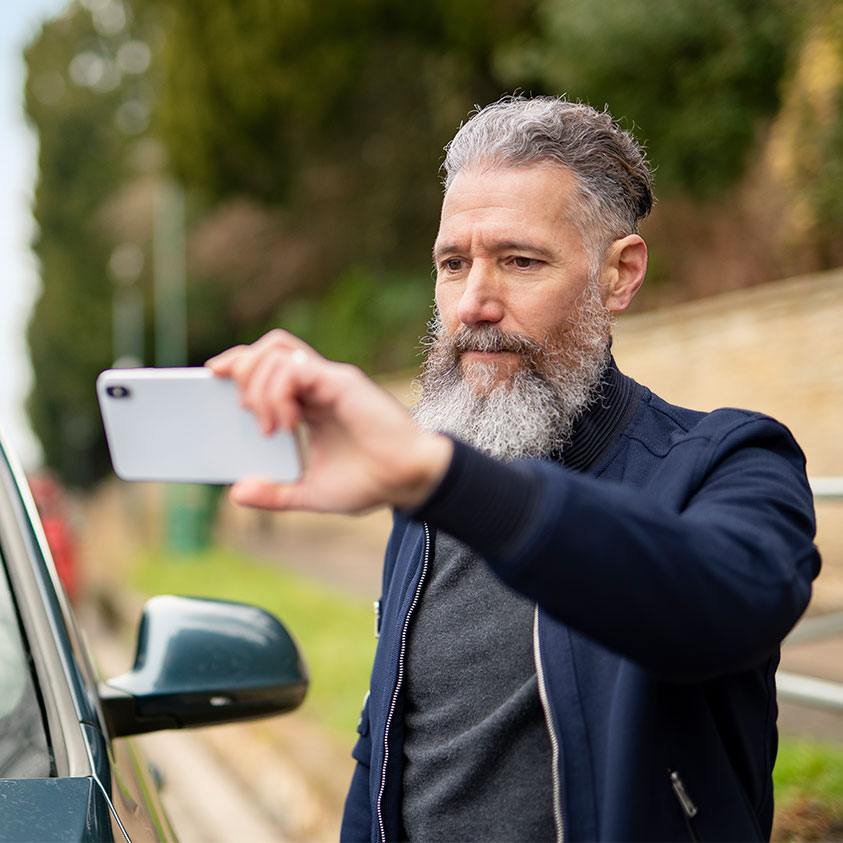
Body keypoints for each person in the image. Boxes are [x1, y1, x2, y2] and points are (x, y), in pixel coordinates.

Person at [207, 96, 820, 842]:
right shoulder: (431, 500)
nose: (473, 304)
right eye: (453, 264)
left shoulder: (730, 460)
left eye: (519, 261)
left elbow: (730, 599)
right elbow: (387, 753)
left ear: (619, 274)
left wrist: (447, 482)